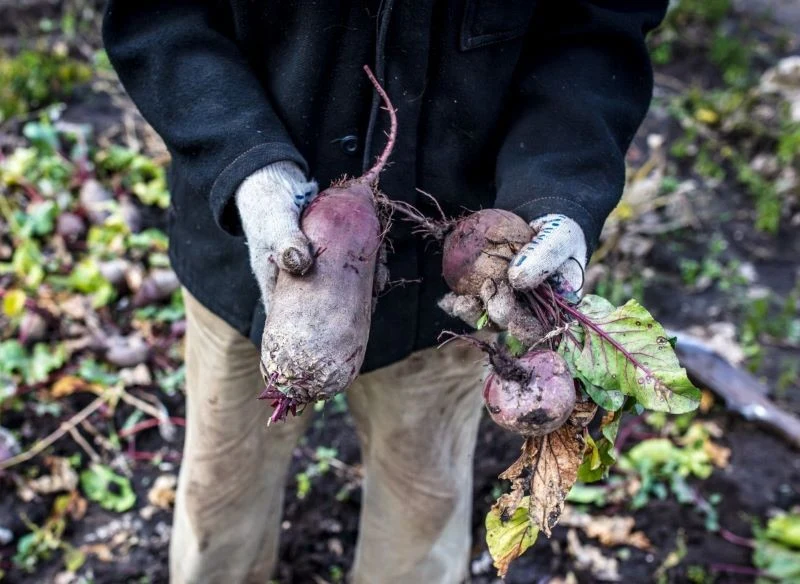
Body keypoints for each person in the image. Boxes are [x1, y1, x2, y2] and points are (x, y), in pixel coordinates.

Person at [102, 1, 668, 582]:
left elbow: (599, 28)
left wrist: (558, 194)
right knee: (221, 491)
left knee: (423, 501)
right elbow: (158, 14)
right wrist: (245, 164)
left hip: (459, 280)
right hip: (252, 242)